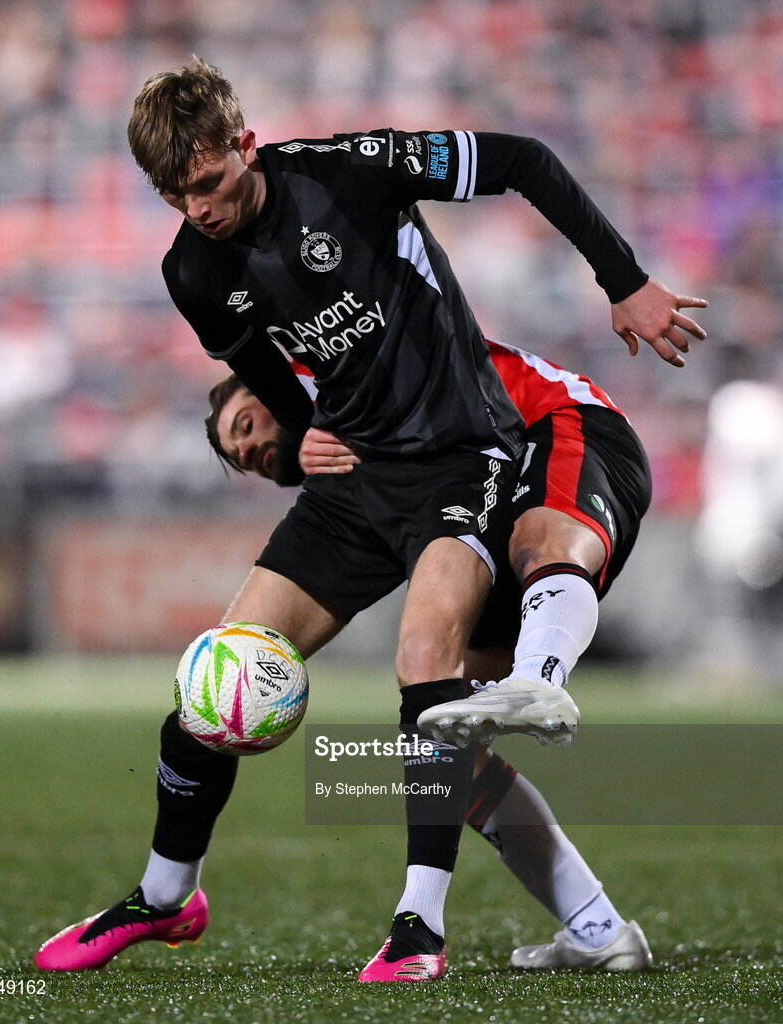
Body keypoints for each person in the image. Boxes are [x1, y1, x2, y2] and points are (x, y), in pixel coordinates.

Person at [37, 58, 704, 980]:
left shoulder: (348, 172)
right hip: (356, 476)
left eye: (207, 182)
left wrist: (621, 279)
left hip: (460, 452)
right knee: (216, 677)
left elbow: (520, 157)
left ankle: (418, 924)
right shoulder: (191, 268)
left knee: (424, 665)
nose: (197, 208)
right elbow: (259, 366)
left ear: (245, 144)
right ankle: (164, 897)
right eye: (172, 194)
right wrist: (304, 433)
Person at [204, 338, 655, 969]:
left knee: (540, 539)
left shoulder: (326, 357)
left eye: (245, 426)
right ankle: (598, 929)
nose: (250, 451)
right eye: (242, 459)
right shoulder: (354, 464)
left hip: (551, 421)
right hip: (488, 481)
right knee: (450, 743)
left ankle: (539, 678)